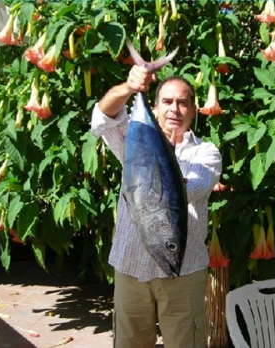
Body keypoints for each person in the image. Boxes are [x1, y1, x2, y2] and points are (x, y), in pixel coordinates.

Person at [91, 64, 222, 348]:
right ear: (155, 106)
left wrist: (167, 163)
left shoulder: (206, 153)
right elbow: (101, 118)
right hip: (130, 267)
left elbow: (188, 191)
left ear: (193, 109)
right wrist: (130, 87)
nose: (174, 109)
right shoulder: (133, 138)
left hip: (183, 271)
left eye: (183, 102)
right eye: (167, 101)